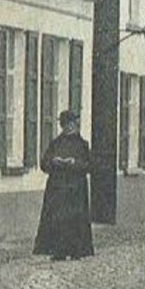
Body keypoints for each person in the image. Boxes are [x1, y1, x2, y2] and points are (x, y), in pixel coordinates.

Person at [33, 111, 94, 262]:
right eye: (66, 125)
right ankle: (58, 251)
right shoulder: (55, 144)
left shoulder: (83, 145)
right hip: (58, 188)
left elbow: (90, 166)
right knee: (58, 220)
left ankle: (76, 250)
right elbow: (44, 164)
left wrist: (74, 163)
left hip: (76, 189)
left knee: (75, 220)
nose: (69, 127)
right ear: (63, 126)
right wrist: (54, 162)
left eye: (72, 124)